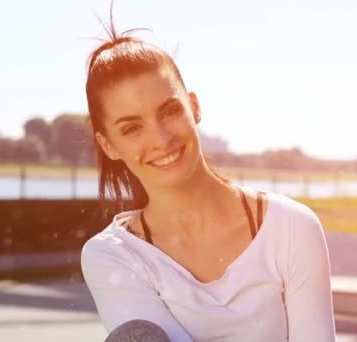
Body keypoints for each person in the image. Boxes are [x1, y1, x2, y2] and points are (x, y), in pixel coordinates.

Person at [80, 12, 336, 342]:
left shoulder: (290, 228)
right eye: (132, 128)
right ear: (109, 145)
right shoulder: (113, 256)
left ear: (194, 107)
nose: (160, 139)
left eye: (169, 111)